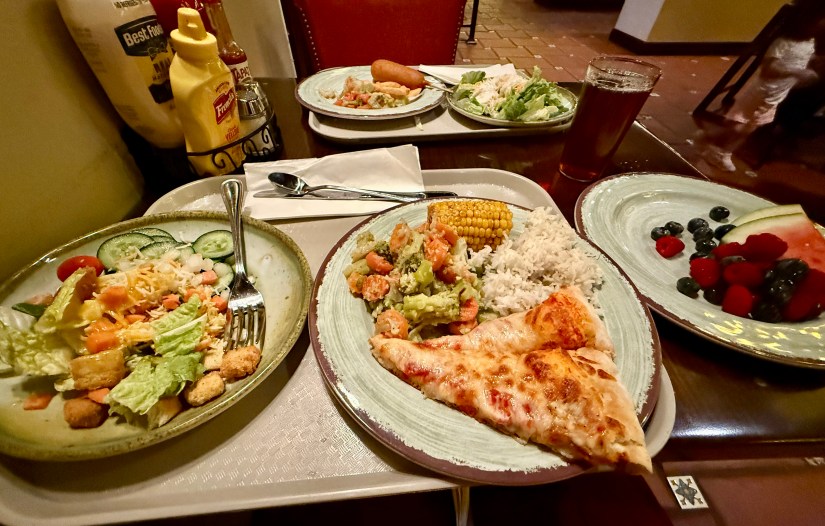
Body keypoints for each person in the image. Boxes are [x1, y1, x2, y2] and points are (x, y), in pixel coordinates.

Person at [695, 2, 821, 172]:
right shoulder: (783, 43)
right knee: (737, 127)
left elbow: (803, 57)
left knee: (749, 129)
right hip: (761, 93)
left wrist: (812, 62)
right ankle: (711, 140)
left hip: (776, 97)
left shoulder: (809, 41)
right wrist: (797, 72)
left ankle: (721, 151)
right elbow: (768, 69)